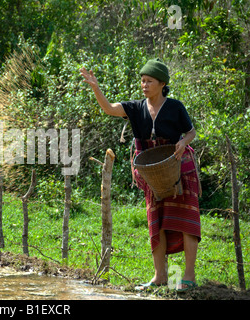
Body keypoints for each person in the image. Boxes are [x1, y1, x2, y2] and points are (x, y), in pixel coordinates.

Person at [80, 58, 201, 292]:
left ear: (162, 83)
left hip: (178, 164)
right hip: (150, 168)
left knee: (186, 219)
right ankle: (160, 276)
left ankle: (189, 276)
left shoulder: (175, 107)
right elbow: (108, 108)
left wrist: (183, 143)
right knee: (157, 220)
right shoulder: (136, 108)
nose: (144, 85)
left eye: (149, 81)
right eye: (142, 81)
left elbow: (191, 131)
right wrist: (96, 87)